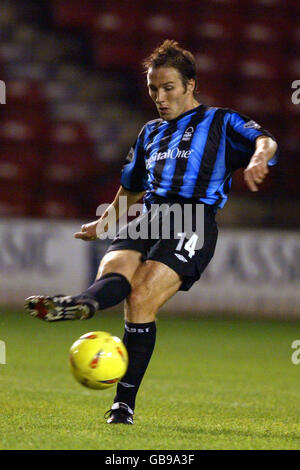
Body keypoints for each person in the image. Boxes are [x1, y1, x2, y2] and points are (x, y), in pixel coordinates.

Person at [25, 40, 278, 424]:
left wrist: (259, 155)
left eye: (168, 88)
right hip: (150, 216)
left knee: (140, 296)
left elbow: (265, 139)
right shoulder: (150, 132)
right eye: (152, 89)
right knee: (115, 267)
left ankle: (122, 404)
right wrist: (104, 223)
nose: (159, 97)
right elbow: (131, 188)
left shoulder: (221, 122)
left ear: (190, 85)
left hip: (193, 220)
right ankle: (81, 305)